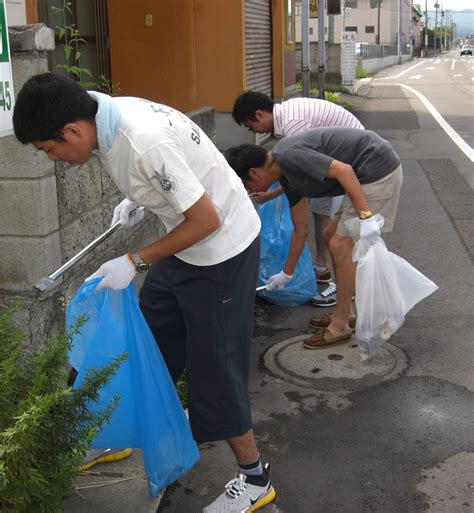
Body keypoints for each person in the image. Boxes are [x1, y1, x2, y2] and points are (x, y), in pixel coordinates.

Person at [13, 73, 275, 513]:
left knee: (216, 369)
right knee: (143, 343)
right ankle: (114, 436)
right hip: (187, 245)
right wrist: (146, 199)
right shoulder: (106, 116)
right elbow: (179, 173)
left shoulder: (142, 141)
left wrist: (135, 260)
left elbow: (206, 219)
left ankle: (255, 479)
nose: (55, 159)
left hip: (222, 251)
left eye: (50, 150)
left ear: (72, 130)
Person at [225, 127, 403, 350]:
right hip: (362, 174)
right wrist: (286, 273)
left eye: (245, 185)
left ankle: (340, 326)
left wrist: (365, 218)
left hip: (377, 170)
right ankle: (345, 313)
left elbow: (344, 170)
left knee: (340, 245)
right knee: (331, 235)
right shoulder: (287, 176)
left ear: (254, 173)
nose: (248, 190)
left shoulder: (288, 156)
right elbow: (301, 230)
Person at [232, 90, 364, 307]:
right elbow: (294, 178)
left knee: (341, 237)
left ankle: (345, 290)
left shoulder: (293, 126)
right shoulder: (287, 119)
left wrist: (365, 214)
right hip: (334, 166)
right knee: (324, 220)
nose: (253, 131)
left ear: (259, 115)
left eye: (250, 125)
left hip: (350, 166)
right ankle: (323, 269)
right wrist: (270, 195)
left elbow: (296, 170)